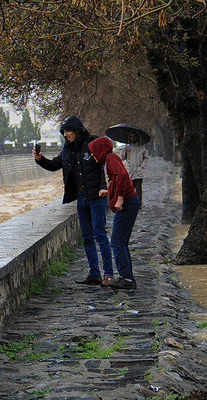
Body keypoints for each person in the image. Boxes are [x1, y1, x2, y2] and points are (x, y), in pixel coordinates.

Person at [33, 115, 114, 286]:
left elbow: (102, 166)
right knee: (87, 236)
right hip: (81, 197)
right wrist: (40, 160)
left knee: (100, 234)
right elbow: (55, 164)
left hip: (97, 196)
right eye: (63, 132)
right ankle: (94, 273)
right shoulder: (67, 149)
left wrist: (103, 186)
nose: (65, 134)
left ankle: (108, 274)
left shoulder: (92, 143)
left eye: (68, 131)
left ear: (77, 130)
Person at [88, 136, 141, 290]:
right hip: (129, 201)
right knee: (121, 242)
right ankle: (128, 278)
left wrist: (119, 198)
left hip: (127, 203)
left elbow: (122, 177)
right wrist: (109, 191)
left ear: (100, 150)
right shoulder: (108, 161)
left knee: (117, 241)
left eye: (94, 152)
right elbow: (116, 180)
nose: (92, 155)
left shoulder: (111, 158)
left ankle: (127, 279)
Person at [120, 131, 148, 205]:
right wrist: (124, 150)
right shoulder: (127, 148)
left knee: (138, 189)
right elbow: (122, 158)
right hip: (130, 171)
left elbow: (146, 157)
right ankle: (131, 203)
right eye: (131, 137)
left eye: (134, 136)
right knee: (130, 188)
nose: (132, 138)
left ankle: (139, 203)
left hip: (139, 171)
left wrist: (142, 166)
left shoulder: (142, 147)